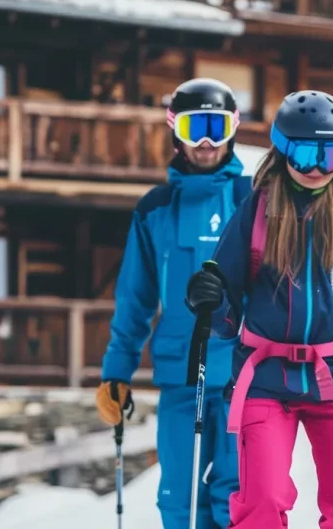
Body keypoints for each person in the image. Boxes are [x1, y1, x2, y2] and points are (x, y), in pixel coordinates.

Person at [183, 90, 333, 529]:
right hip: (267, 379)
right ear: (282, 150)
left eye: (327, 155)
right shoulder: (256, 213)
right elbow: (226, 309)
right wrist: (210, 298)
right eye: (303, 154)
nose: (314, 168)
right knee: (261, 503)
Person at [96, 78, 248, 529]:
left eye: (215, 127)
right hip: (181, 376)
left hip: (242, 378)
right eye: (192, 127)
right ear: (174, 130)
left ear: (233, 128)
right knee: (179, 501)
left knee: (235, 497)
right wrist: (116, 372)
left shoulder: (251, 201)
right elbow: (135, 299)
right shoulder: (154, 210)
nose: (204, 141)